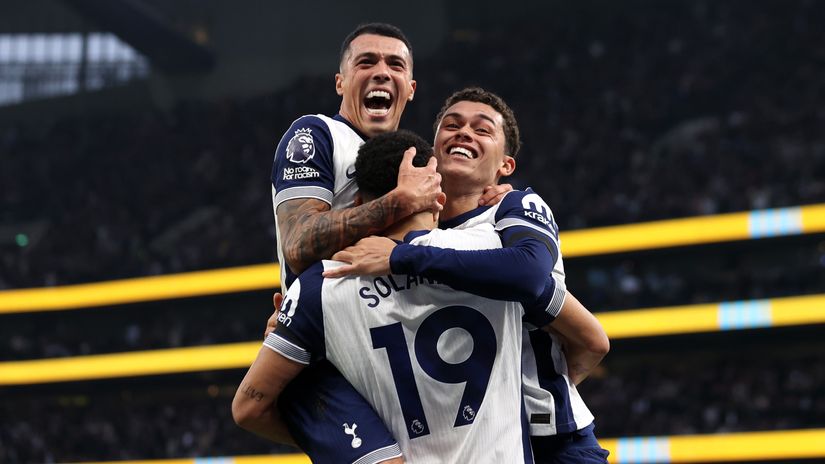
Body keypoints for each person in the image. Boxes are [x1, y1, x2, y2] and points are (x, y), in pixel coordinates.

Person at [324, 88, 611, 463]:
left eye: (482, 129)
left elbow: (529, 277)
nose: (464, 133)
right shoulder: (406, 233)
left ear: (505, 166)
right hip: (456, 441)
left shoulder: (514, 207)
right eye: (452, 125)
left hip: (550, 441)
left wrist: (404, 257)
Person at [236, 130, 557, 462]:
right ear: (439, 200)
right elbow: (590, 339)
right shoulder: (495, 251)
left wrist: (345, 443)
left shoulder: (320, 285)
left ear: (359, 205)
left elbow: (249, 408)